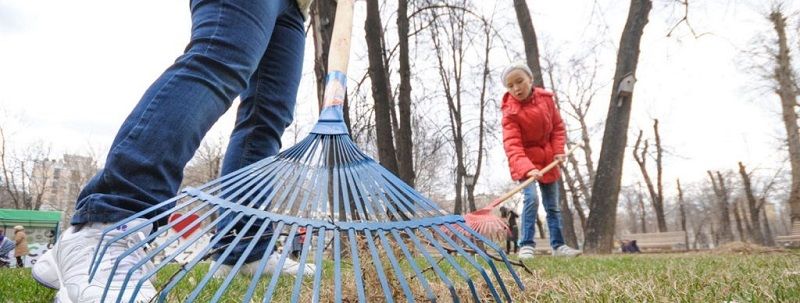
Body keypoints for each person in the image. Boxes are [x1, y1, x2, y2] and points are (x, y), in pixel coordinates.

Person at [32, 1, 315, 301]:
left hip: (297, 7)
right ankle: (106, 224)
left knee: (268, 116)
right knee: (220, 60)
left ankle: (244, 249)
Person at [500, 61, 582, 259]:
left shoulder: (546, 100)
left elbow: (557, 128)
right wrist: (527, 168)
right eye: (510, 86)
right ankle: (526, 245)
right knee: (531, 199)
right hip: (524, 161)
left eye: (520, 81)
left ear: (530, 79)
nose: (516, 88)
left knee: (552, 205)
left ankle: (558, 246)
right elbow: (513, 145)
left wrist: (557, 151)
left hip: (548, 160)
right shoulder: (510, 113)